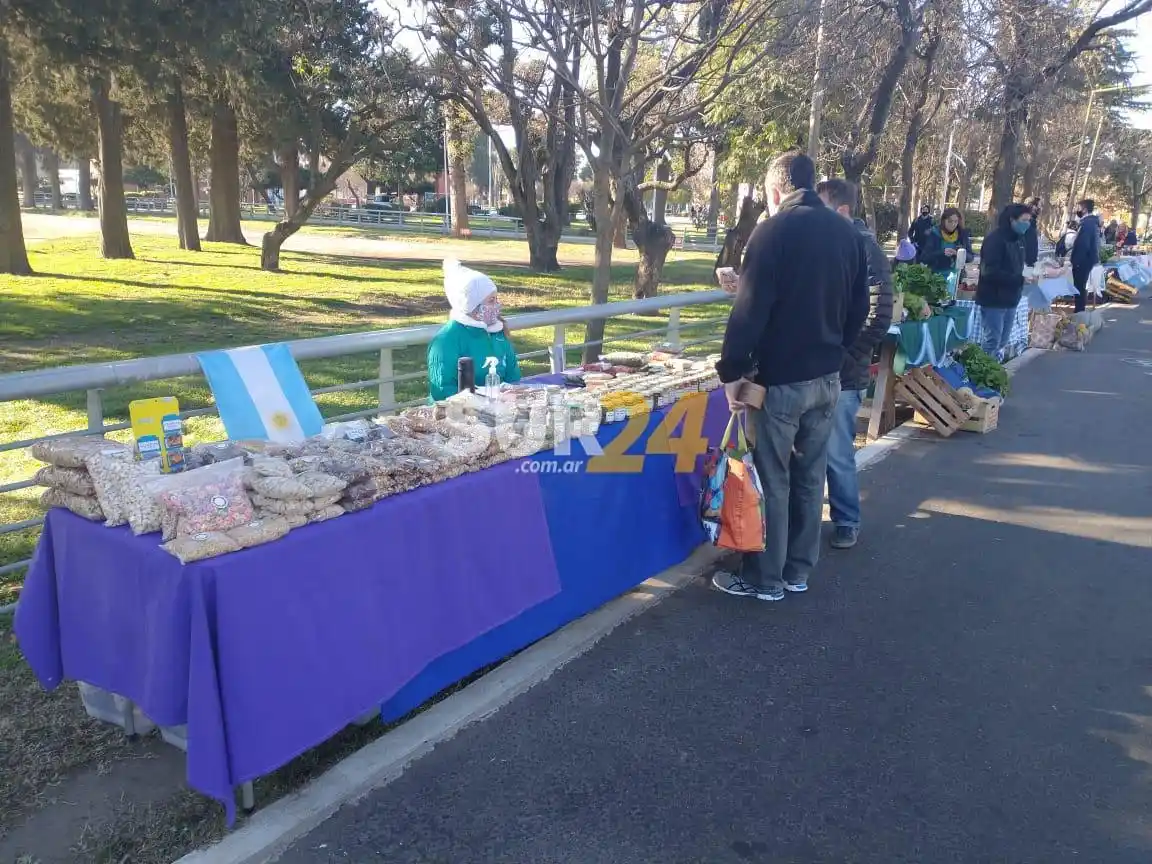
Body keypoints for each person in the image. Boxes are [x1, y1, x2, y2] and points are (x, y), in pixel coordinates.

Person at [712, 152, 868, 602]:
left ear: (776, 190)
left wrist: (732, 371)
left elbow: (749, 310)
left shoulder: (771, 231)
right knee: (809, 475)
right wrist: (836, 349)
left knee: (773, 476)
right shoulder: (847, 233)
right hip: (827, 375)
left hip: (781, 379)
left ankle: (766, 577)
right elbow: (860, 308)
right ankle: (799, 568)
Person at [816, 178, 893, 551]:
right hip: (822, 368)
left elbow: (879, 315)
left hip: (845, 373)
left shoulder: (864, 248)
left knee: (837, 452)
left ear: (842, 211)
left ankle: (847, 520)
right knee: (816, 451)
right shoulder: (832, 245)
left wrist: (845, 355)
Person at [426, 259, 521, 401]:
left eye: (496, 299)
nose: (497, 305)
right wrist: (487, 398)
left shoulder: (497, 333)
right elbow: (442, 391)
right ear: (472, 306)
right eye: (491, 301)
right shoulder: (446, 340)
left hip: (499, 411)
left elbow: (513, 376)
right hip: (456, 417)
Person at [977, 203, 1032, 358]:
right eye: (1024, 220)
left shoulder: (1020, 240)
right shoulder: (994, 240)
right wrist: (1018, 280)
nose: (1027, 224)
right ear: (1012, 220)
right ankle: (982, 373)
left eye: (1029, 220)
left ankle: (993, 369)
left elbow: (1019, 265)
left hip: (1011, 298)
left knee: (1002, 340)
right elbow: (989, 271)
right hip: (993, 298)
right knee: (992, 340)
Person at [916, 207, 974, 275]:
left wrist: (958, 254)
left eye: (956, 221)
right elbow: (924, 258)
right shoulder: (934, 234)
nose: (953, 224)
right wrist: (941, 252)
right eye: (950, 221)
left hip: (957, 277)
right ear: (944, 221)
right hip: (936, 277)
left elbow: (971, 258)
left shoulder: (962, 235)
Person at [1069, 199, 1101, 313]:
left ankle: (1079, 311)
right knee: (1080, 286)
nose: (1077, 210)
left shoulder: (1088, 223)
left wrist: (1076, 261)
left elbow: (1084, 244)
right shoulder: (1091, 222)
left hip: (1083, 260)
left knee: (1079, 286)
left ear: (1085, 209)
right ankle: (1079, 310)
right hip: (1086, 259)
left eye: (1079, 207)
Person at [1022, 197, 1041, 267]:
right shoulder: (1026, 223)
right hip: (1025, 264)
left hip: (1029, 263)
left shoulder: (1032, 223)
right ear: (1031, 206)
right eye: (1037, 206)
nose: (1039, 209)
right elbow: (1029, 244)